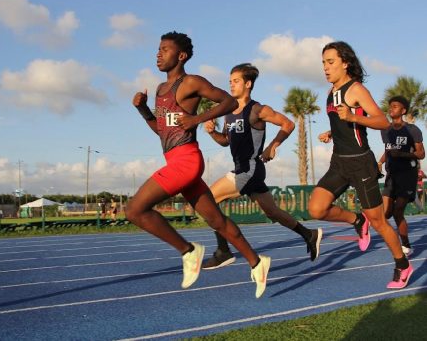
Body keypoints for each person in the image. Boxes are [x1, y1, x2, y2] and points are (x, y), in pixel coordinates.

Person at [126, 31, 270, 298]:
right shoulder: (160, 90)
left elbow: (227, 100)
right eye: (158, 49)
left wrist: (196, 119)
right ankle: (257, 261)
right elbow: (162, 131)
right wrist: (143, 109)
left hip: (187, 160)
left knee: (134, 210)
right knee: (216, 219)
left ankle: (188, 251)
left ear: (181, 56)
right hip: (175, 157)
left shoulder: (190, 82)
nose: (158, 54)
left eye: (165, 49)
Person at [308, 41, 413, 289]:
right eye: (323, 62)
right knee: (316, 209)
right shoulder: (330, 92)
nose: (325, 67)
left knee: (378, 221)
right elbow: (343, 123)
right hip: (338, 162)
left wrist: (353, 116)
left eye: (330, 62)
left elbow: (382, 121)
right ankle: (356, 221)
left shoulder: (355, 89)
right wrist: (331, 132)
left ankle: (403, 265)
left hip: (360, 163)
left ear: (345, 63)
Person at [201, 63, 322, 269]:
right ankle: (309, 234)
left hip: (249, 169)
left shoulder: (258, 109)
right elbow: (226, 141)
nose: (231, 85)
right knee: (272, 212)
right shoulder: (228, 112)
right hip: (247, 170)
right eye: (230, 81)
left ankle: (223, 251)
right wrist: (212, 132)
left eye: (236, 81)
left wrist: (272, 146)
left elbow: (288, 124)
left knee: (207, 200)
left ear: (248, 84)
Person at [378, 96, 425, 256]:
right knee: (385, 213)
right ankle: (395, 239)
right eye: (390, 106)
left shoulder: (413, 130)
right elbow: (388, 150)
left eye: (395, 106)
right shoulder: (386, 130)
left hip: (407, 175)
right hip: (391, 175)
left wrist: (403, 155)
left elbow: (421, 154)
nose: (391, 109)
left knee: (398, 212)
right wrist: (379, 163)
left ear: (403, 110)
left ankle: (406, 245)